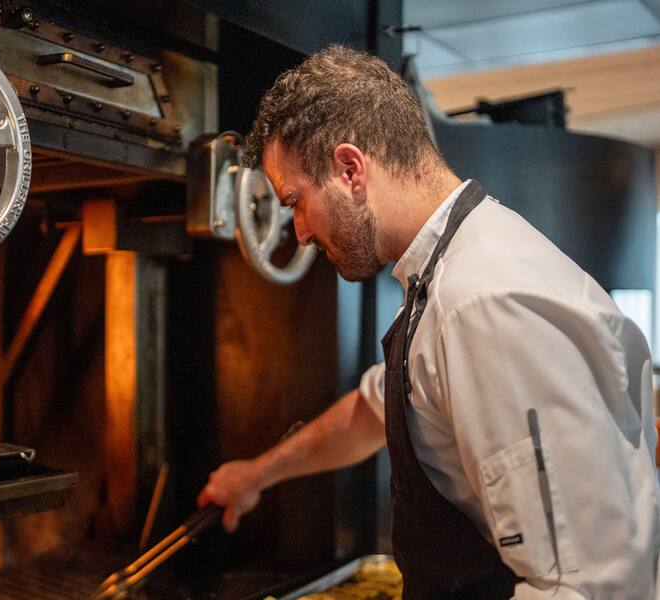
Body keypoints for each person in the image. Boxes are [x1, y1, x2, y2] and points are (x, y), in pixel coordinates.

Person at [197, 45, 660, 599]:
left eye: (295, 201)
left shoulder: (484, 301)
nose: (297, 232)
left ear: (350, 169)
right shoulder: (442, 275)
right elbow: (375, 409)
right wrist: (256, 477)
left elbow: (587, 585)